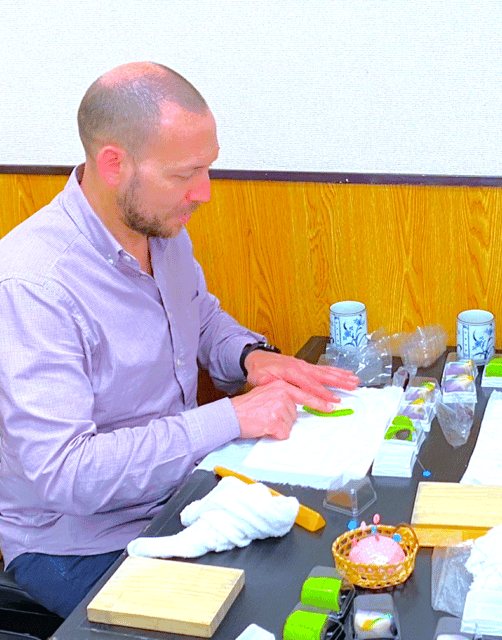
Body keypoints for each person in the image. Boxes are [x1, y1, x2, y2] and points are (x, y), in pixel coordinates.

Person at [0, 62, 359, 617]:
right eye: (185, 173)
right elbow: (67, 475)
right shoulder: (35, 284)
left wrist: (250, 357)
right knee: (256, 618)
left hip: (178, 499)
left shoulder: (159, 228)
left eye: (208, 168)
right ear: (113, 164)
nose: (205, 192)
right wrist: (234, 418)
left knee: (329, 572)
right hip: (78, 544)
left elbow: (198, 314)